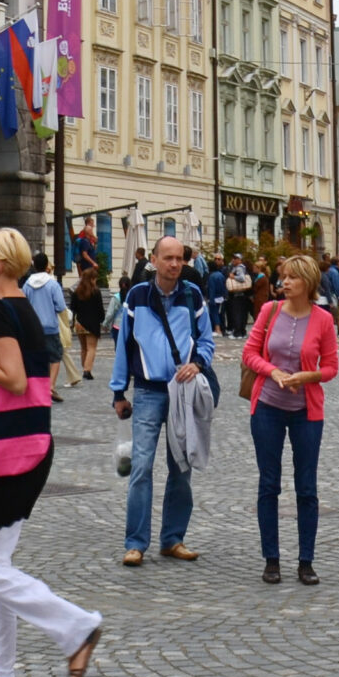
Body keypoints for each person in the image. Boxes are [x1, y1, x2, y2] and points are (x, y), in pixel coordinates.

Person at [0, 228, 103, 677]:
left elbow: (13, 382)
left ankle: (76, 628)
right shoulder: (23, 310)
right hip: (27, 445)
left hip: (8, 451)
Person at [111, 234, 216, 565]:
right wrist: (118, 391)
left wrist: (197, 363)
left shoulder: (192, 294)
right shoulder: (137, 296)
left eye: (179, 258)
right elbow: (124, 346)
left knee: (180, 467)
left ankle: (173, 538)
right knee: (141, 467)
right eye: (167, 258)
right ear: (153, 260)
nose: (174, 264)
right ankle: (135, 543)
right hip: (147, 391)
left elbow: (207, 341)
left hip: (182, 393)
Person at [242, 254, 339, 585]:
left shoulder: (323, 319)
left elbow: (331, 368)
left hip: (306, 412)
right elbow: (250, 354)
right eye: (283, 277)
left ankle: (306, 561)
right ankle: (271, 559)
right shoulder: (269, 312)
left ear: (308, 283)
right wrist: (273, 372)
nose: (284, 282)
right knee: (269, 483)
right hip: (267, 405)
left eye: (292, 278)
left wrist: (306, 376)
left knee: (306, 486)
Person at [25, 252, 75, 398]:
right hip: (50, 326)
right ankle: (50, 386)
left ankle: (38, 386)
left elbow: (24, 304)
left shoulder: (27, 284)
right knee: (55, 357)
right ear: (47, 265)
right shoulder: (53, 284)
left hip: (33, 327)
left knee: (37, 357)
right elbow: (60, 306)